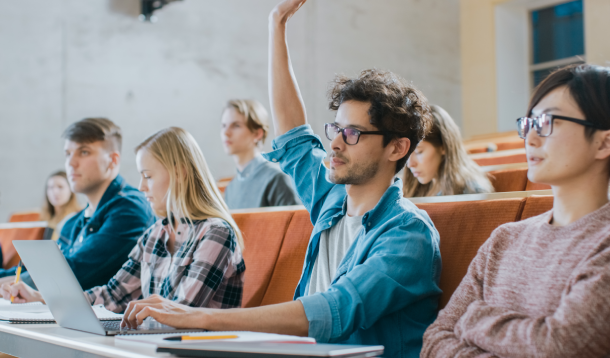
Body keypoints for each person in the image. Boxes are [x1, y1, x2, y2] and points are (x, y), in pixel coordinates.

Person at [119, 1, 441, 357]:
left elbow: (335, 309)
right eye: (335, 127)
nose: (334, 142)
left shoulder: (408, 234)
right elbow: (294, 137)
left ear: (397, 148)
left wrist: (199, 317)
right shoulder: (332, 200)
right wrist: (276, 25)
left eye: (352, 133)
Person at [421, 64, 610, 357]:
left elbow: (560, 348)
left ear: (604, 142)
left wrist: (474, 318)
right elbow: (435, 340)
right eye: (529, 124)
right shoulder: (505, 238)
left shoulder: (604, 243)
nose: (530, 139)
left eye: (548, 122)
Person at [2, 127, 245, 311]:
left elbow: (180, 314)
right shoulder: (155, 233)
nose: (140, 186)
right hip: (149, 346)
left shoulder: (216, 233)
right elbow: (112, 295)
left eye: (147, 176)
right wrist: (41, 298)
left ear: (180, 172)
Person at [0, 118, 155, 290]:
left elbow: (73, 274)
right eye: (68, 154)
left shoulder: (131, 210)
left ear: (113, 160)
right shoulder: (73, 224)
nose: (71, 163)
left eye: (84, 152)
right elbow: (37, 269)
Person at [221, 99, 300, 209]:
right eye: (224, 125)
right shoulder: (230, 189)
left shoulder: (277, 178)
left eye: (236, 125)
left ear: (257, 134)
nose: (226, 133)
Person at [404, 105, 493, 196]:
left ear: (444, 147)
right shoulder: (415, 187)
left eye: (419, 152)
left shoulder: (472, 192)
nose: (410, 164)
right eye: (406, 153)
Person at [40, 170, 81, 242]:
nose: (55, 192)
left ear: (71, 191)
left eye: (60, 187)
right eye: (51, 187)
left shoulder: (76, 219)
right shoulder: (43, 219)